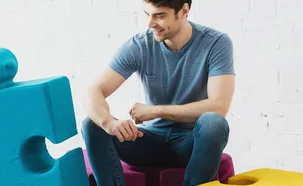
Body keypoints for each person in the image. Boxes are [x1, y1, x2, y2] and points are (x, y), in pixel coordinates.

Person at [81, 0, 235, 185]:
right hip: (148, 142)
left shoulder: (216, 43)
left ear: (184, 11)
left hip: (191, 143)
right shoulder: (139, 45)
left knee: (214, 122)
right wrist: (110, 123)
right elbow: (93, 91)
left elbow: (219, 106)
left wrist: (157, 111)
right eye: (148, 15)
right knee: (93, 124)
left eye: (159, 16)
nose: (150, 24)